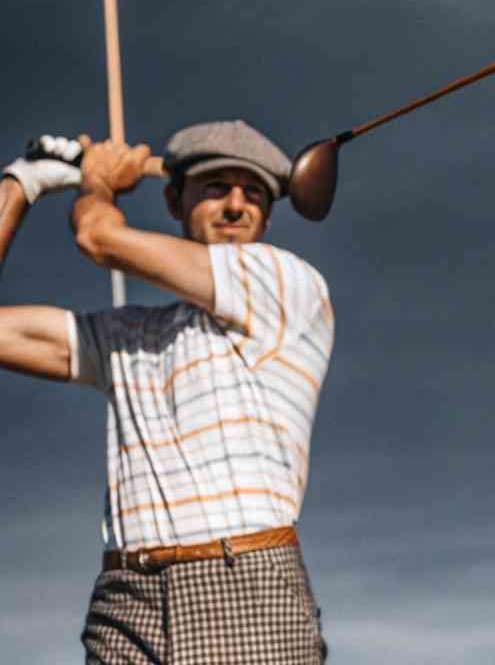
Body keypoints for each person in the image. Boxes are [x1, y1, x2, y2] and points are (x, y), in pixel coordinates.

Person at [0, 121, 333, 663]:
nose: (235, 205)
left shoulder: (285, 283)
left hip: (244, 589)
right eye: (215, 188)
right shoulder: (126, 336)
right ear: (175, 203)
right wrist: (22, 183)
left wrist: (98, 184)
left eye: (253, 194)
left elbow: (98, 237)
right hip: (123, 601)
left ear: (268, 217)